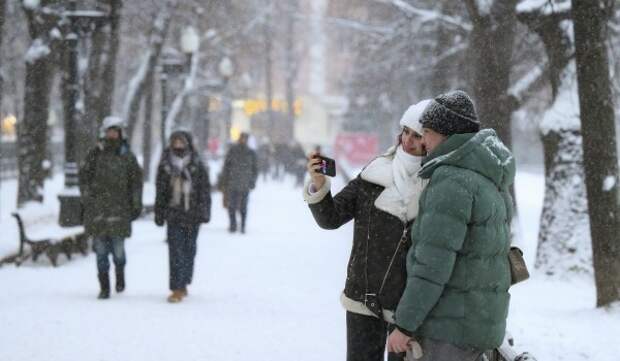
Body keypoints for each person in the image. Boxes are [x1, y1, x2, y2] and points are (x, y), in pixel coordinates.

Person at [387, 91, 515, 361]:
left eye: (428, 132)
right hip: (480, 326)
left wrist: (404, 324)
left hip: (448, 332)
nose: (424, 142)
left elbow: (432, 266)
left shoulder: (451, 181)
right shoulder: (489, 177)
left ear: (446, 135)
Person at [304, 100, 430, 361]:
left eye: (417, 136)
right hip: (364, 297)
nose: (409, 141)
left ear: (429, 140)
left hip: (407, 307)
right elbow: (331, 217)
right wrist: (319, 185)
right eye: (406, 132)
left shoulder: (437, 183)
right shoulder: (375, 173)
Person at [79, 116, 143, 300]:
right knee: (100, 253)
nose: (112, 134)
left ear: (120, 133)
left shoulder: (127, 156)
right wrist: (87, 197)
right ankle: (104, 287)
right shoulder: (95, 154)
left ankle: (120, 274)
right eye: (109, 131)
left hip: (120, 211)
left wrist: (135, 204)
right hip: (98, 212)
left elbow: (136, 182)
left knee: (118, 252)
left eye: (115, 131)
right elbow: (84, 177)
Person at [155, 130, 211, 303]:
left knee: (189, 250)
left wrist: (205, 211)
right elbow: (161, 191)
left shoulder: (197, 164)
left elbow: (204, 190)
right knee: (175, 251)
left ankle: (184, 281)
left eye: (181, 141)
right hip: (174, 213)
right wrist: (159, 212)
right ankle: (176, 288)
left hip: (193, 214)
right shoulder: (165, 165)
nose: (178, 145)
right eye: (175, 142)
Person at [220, 132, 258, 234]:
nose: (243, 140)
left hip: (245, 184)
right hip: (232, 183)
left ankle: (243, 225)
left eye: (245, 138)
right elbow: (226, 167)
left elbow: (255, 169)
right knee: (231, 206)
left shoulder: (251, 153)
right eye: (242, 138)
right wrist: (224, 181)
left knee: (243, 207)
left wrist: (253, 181)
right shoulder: (232, 150)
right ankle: (233, 224)